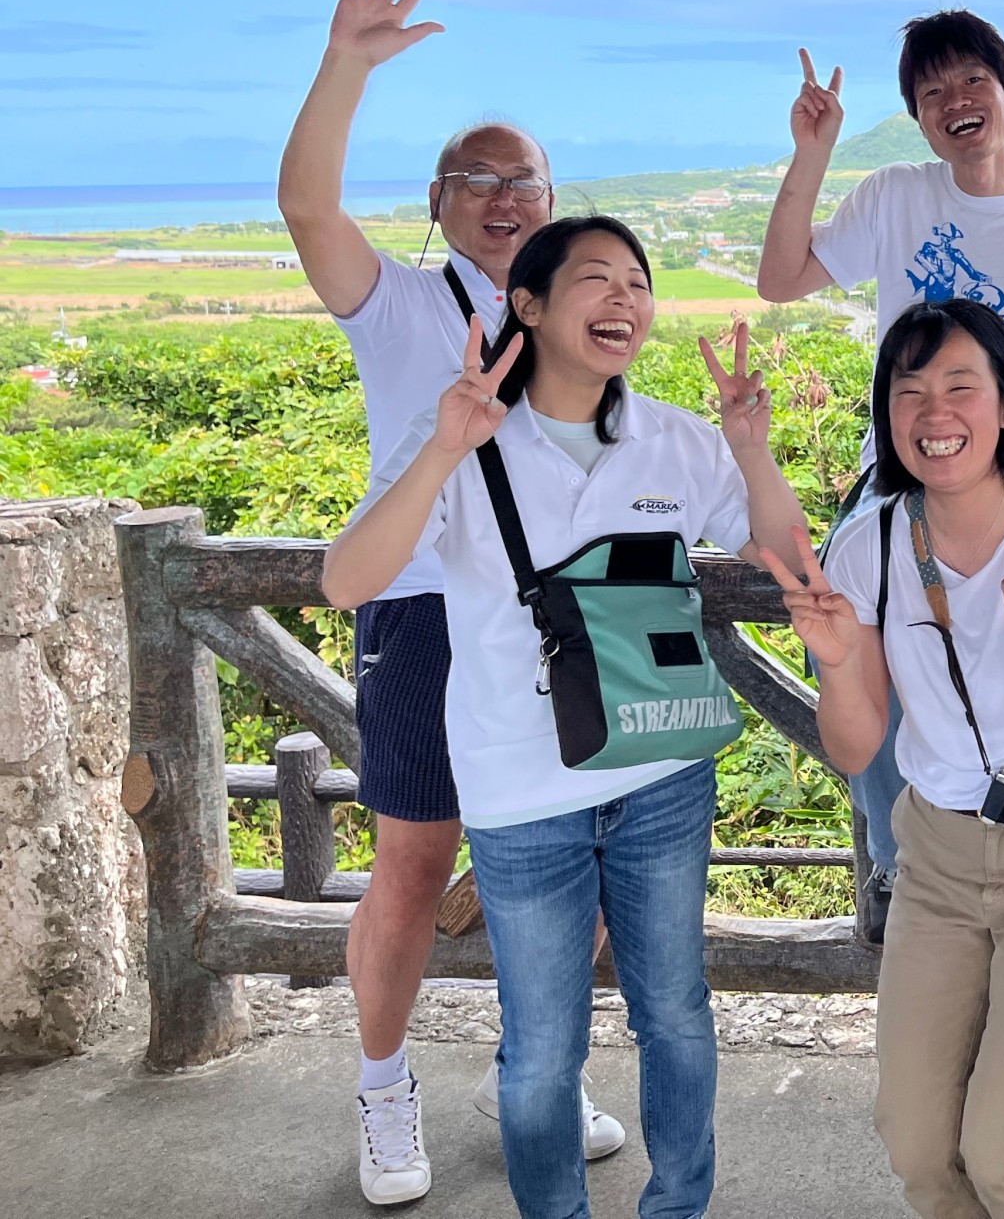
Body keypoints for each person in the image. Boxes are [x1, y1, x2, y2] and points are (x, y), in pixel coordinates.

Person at [324, 217, 811, 1219]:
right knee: (543, 1046)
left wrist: (751, 450)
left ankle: (677, 1205)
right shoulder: (462, 435)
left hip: (661, 772)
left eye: (639, 280)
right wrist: (445, 447)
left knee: (676, 1015)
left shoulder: (674, 438)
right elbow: (347, 580)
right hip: (519, 790)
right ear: (529, 305)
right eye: (597, 277)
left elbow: (787, 553)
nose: (625, 297)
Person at [277, 0, 628, 1202]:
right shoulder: (398, 306)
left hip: (555, 619)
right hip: (423, 610)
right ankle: (383, 1092)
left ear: (553, 202)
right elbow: (308, 210)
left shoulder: (578, 320)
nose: (501, 197)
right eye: (477, 179)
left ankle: (538, 1069)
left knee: (576, 859)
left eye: (522, 180)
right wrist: (346, 65)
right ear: (440, 200)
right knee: (415, 866)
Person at [757, 298, 1004, 1219]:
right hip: (936, 855)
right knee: (918, 1144)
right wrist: (837, 661)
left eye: (960, 386)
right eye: (910, 390)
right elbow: (856, 743)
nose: (934, 413)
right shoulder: (870, 541)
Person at [754, 14, 1004, 937]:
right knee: (852, 635)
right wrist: (812, 152)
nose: (955, 103)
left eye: (973, 82)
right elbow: (780, 278)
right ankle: (898, 851)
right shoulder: (894, 194)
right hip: (902, 472)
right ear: (918, 118)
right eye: (932, 93)